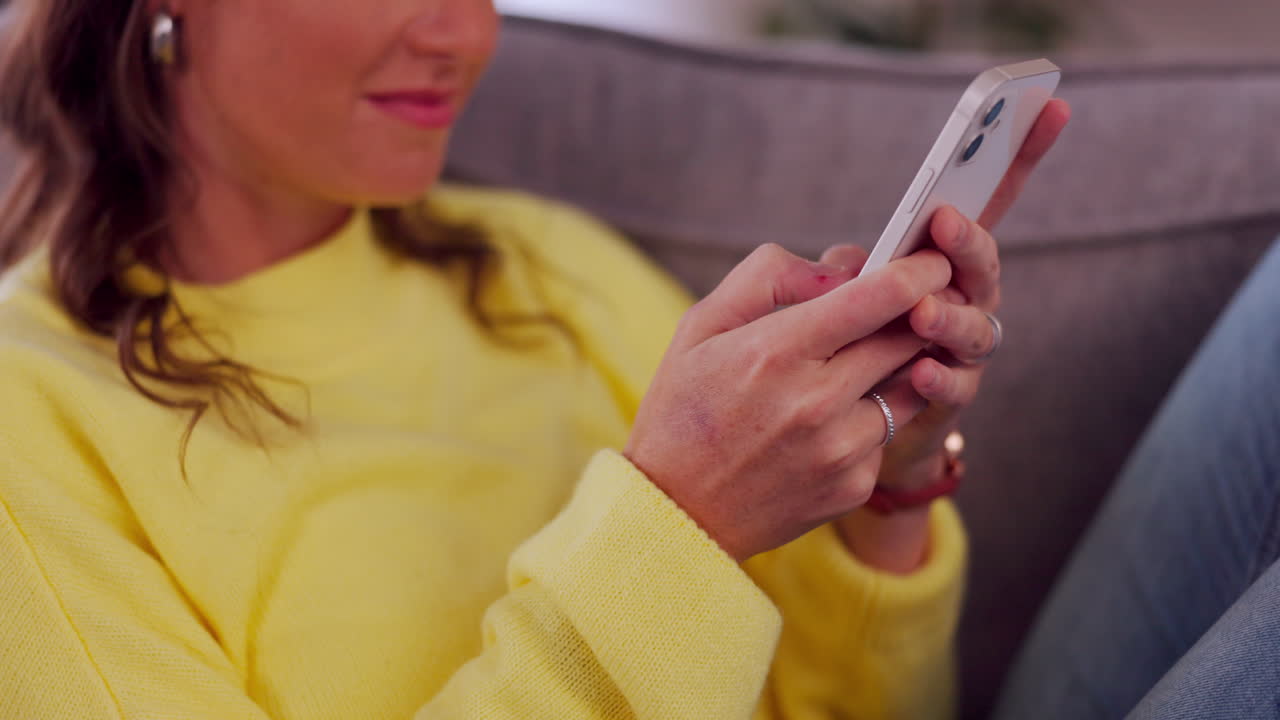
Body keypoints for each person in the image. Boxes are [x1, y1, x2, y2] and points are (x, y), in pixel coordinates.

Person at [1, 1, 1264, 719]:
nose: (460, 30)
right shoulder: (32, 421)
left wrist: (890, 477)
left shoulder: (537, 264)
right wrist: (677, 520)